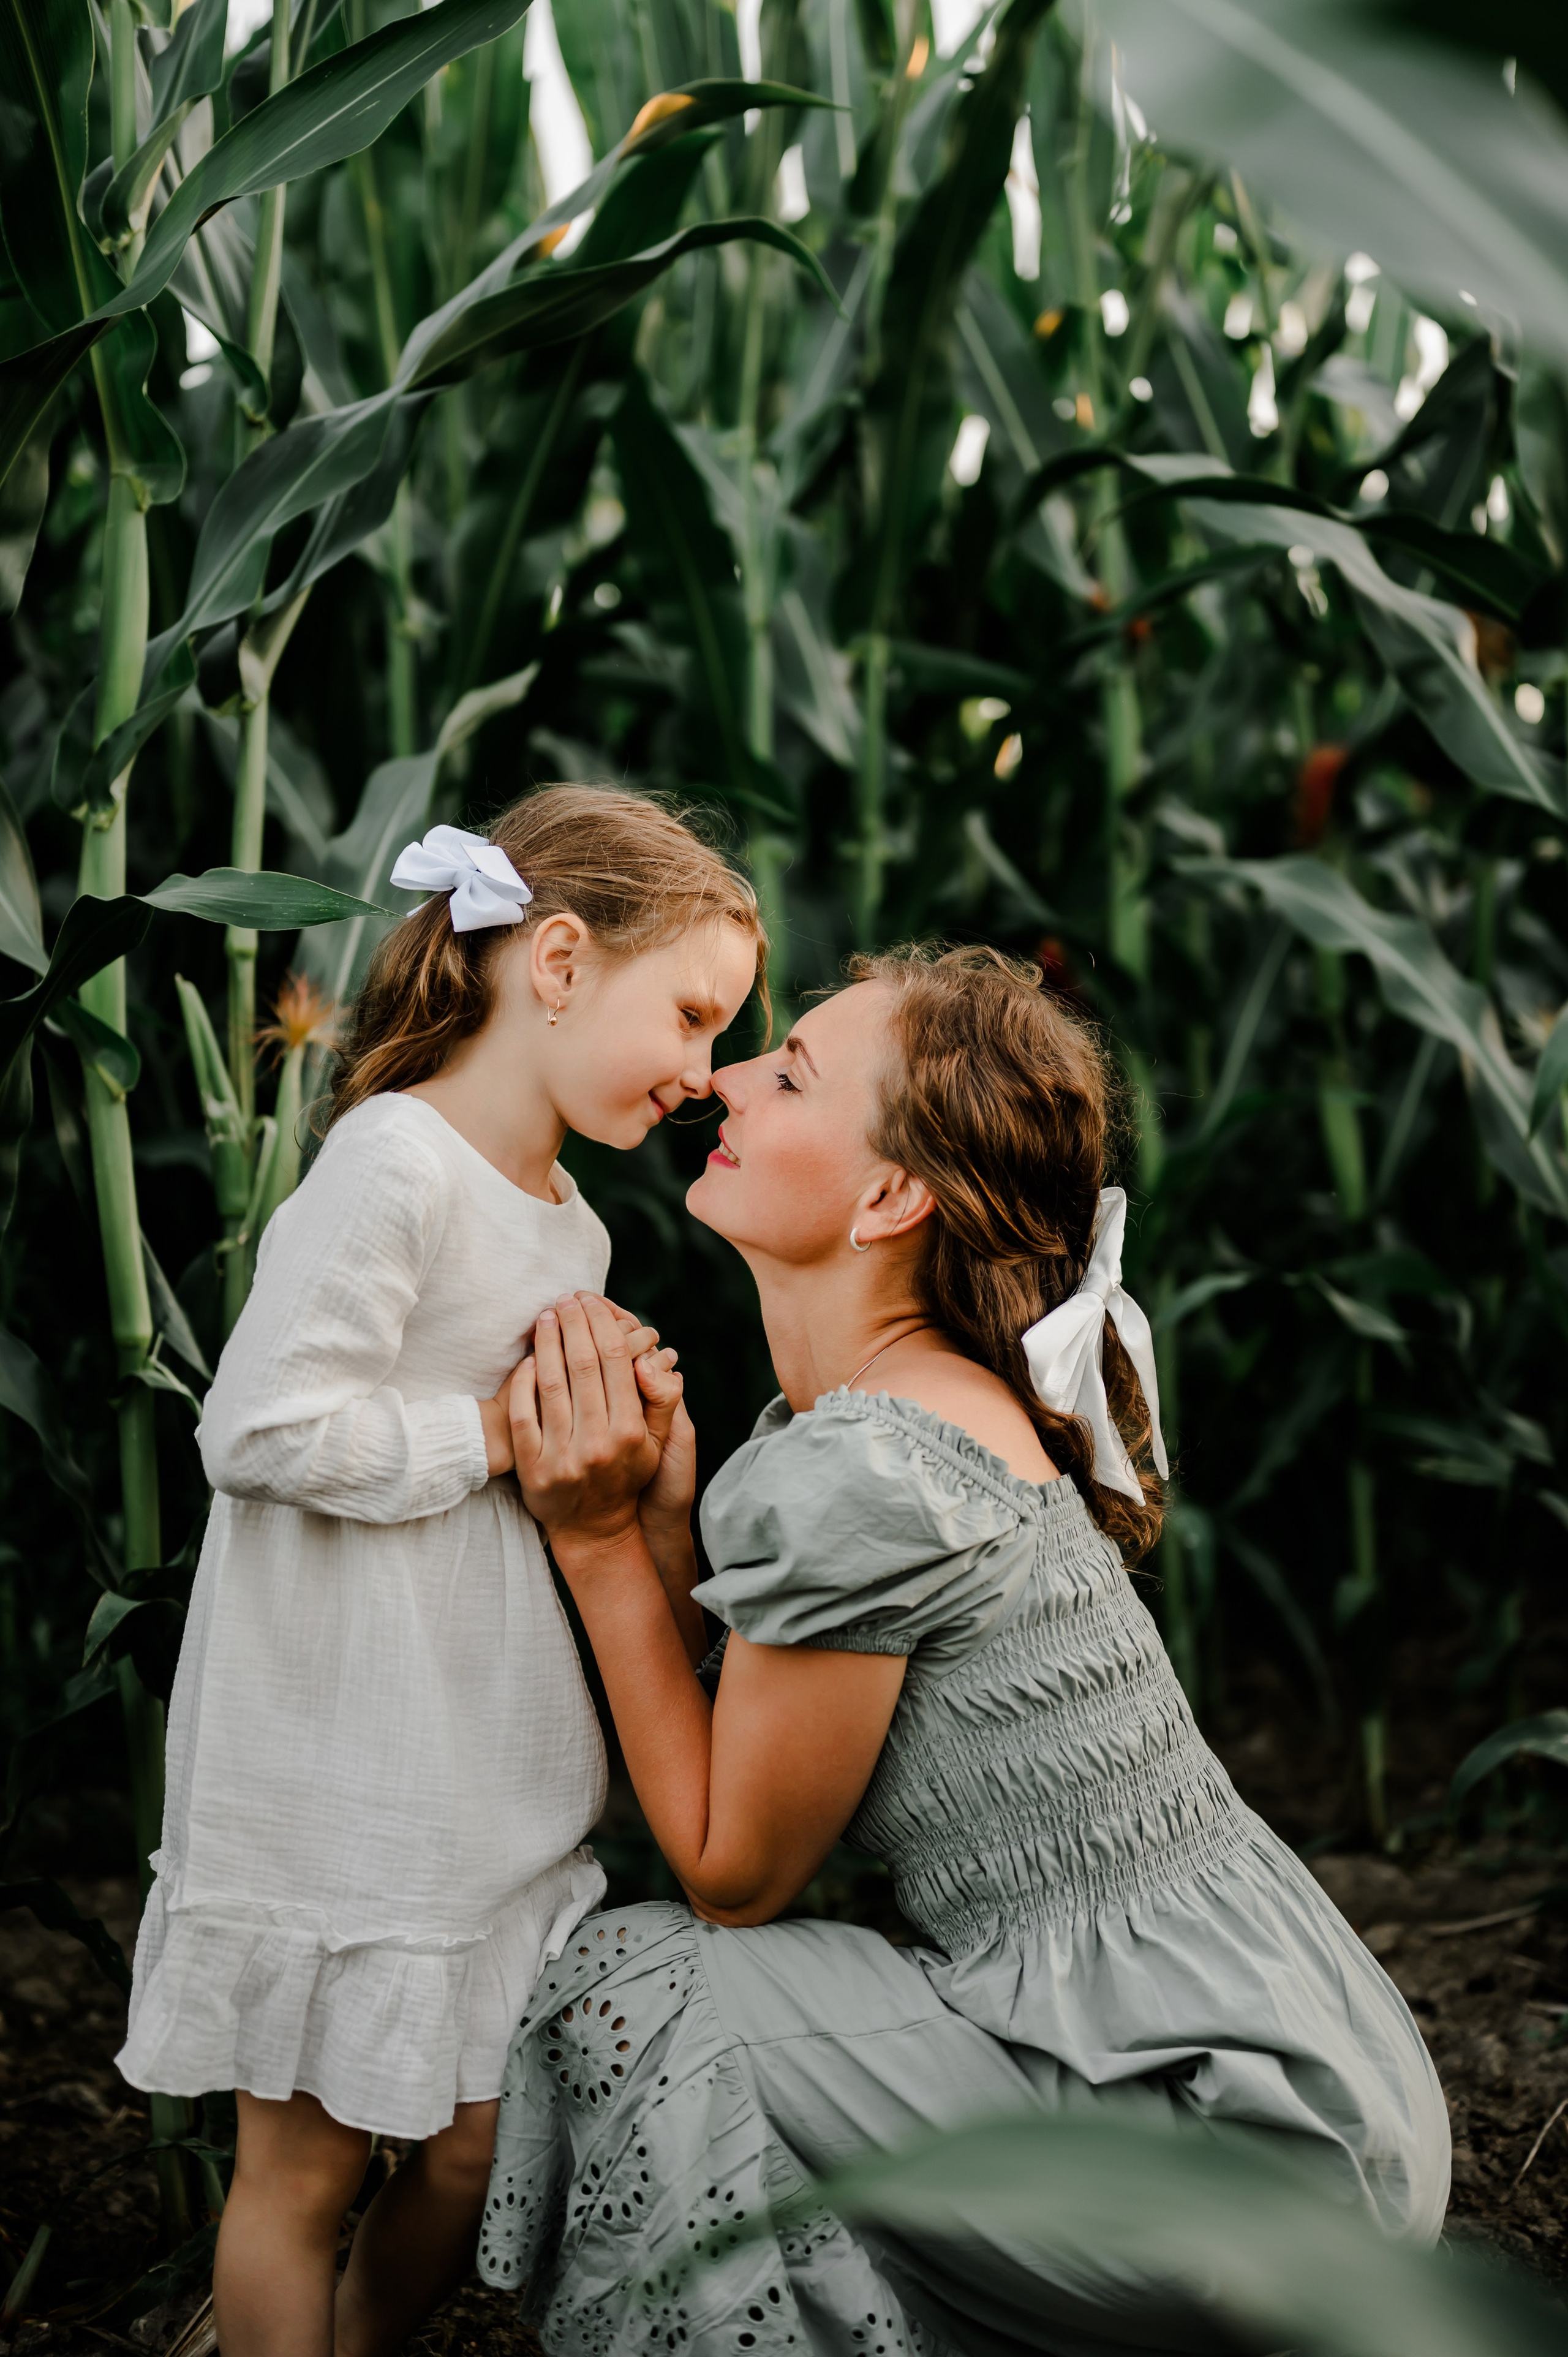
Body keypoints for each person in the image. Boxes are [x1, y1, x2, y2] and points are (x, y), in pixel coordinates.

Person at [481, 943, 1450, 2356]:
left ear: (888, 1197)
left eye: (790, 1069)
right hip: (1307, 2092)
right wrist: (677, 1528)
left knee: (648, 1978)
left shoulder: (869, 1468)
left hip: (1216, 2156)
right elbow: (782, 1738)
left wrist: (595, 1545)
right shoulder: (912, 1413)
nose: (724, 1077)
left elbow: (731, 1867)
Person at [116, 786, 765, 2357]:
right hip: (346, 1742)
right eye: (687, 1015)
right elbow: (259, 1427)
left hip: (476, 1761)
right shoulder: (395, 1161)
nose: (702, 1072)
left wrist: (616, 1439)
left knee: (468, 2150)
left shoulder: (576, 1232)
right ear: (555, 960)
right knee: (304, 2164)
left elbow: (553, 1484)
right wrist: (493, 1428)